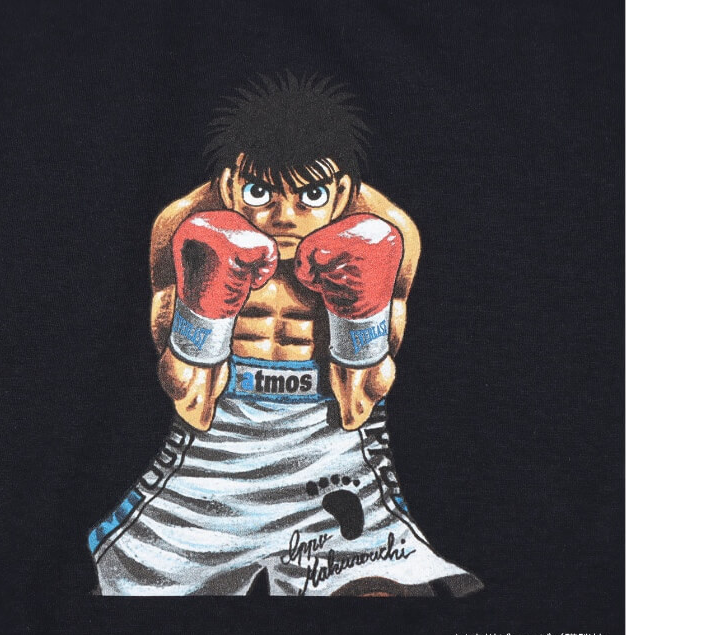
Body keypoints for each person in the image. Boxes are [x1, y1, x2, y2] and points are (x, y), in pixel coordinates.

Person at [88, 73, 482, 596]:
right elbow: (187, 394)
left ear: (343, 189)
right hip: (215, 451)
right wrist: (206, 308)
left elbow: (361, 398)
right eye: (260, 192)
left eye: (310, 195)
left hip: (332, 450)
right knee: (131, 595)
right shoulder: (184, 223)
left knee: (383, 595)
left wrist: (356, 313)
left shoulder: (387, 229)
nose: (283, 217)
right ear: (229, 181)